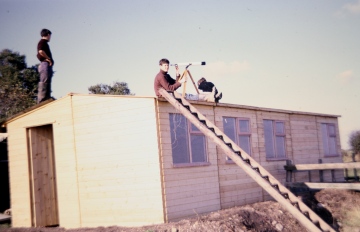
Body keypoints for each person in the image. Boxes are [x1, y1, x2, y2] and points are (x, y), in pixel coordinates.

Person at [37, 28, 54, 103]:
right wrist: (48, 59)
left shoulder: (44, 43)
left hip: (46, 65)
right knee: (44, 82)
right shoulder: (42, 42)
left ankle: (47, 98)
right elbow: (40, 51)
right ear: (48, 35)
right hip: (44, 64)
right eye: (50, 36)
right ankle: (42, 100)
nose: (50, 37)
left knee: (47, 82)